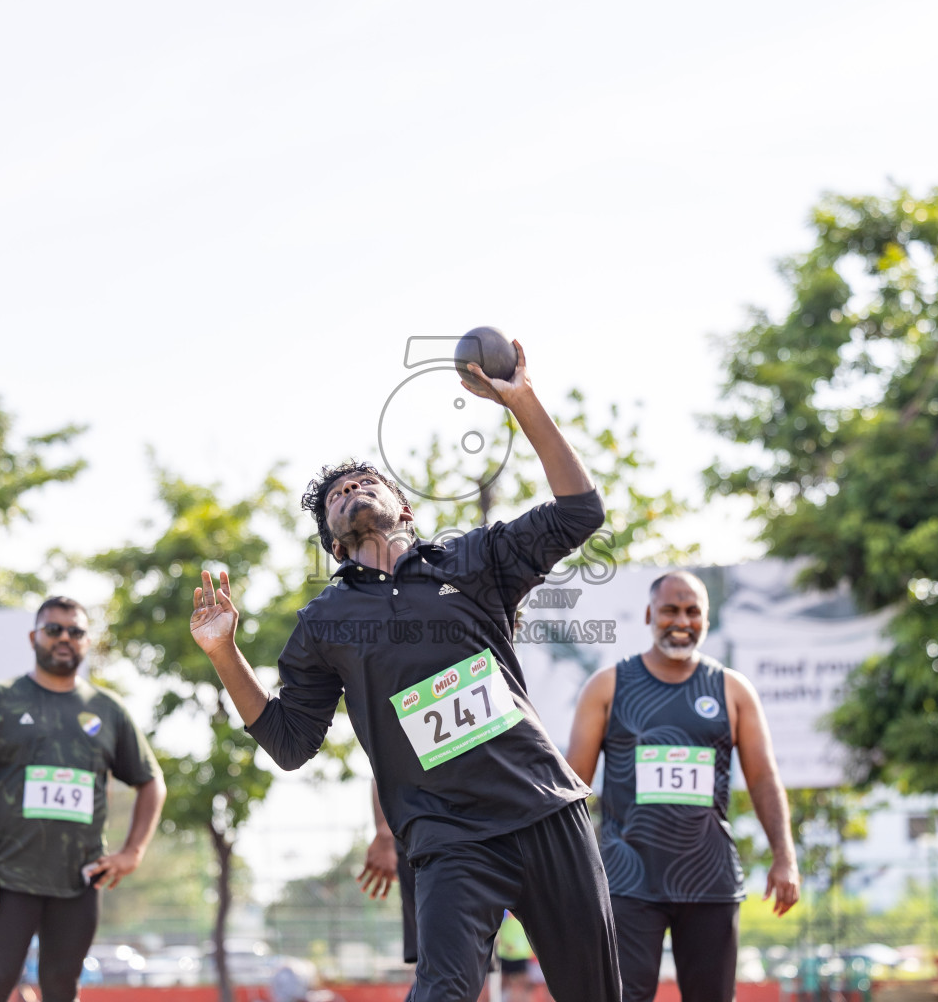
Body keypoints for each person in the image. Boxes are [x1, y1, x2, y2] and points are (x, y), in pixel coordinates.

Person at [189, 342, 621, 1002]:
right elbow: (287, 743)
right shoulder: (324, 622)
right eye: (337, 494)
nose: (353, 490)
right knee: (442, 994)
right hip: (448, 838)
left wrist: (521, 401)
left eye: (367, 482)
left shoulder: (472, 562)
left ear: (406, 508)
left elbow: (580, 512)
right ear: (333, 542)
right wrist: (225, 654)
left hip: (543, 807)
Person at [566, 570, 801, 1002]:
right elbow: (572, 789)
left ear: (706, 619)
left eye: (693, 611)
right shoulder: (608, 687)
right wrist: (566, 872)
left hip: (709, 881)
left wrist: (785, 857)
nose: (682, 620)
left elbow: (764, 777)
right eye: (670, 609)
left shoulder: (732, 690)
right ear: (649, 614)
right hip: (627, 879)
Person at [0, 596, 164, 1002]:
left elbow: (151, 782)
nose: (64, 638)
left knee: (62, 987)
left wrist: (132, 852)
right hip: (6, 879)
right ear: (34, 637)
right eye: (54, 630)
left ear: (87, 642)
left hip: (79, 882)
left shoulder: (108, 709)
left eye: (75, 631)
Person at [357, 785, 417, 966]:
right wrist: (384, 831)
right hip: (427, 842)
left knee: (464, 963)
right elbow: (382, 766)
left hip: (479, 837)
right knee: (446, 961)